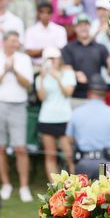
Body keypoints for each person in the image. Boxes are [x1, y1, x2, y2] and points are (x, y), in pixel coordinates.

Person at [0, 30, 33, 202]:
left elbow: (27, 84)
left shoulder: (24, 59)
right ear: (4, 41)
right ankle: (6, 184)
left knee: (21, 148)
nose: (15, 44)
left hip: (18, 105)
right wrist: (4, 72)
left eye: (17, 41)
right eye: (12, 40)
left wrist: (14, 70)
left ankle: (24, 186)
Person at [67, 74, 110, 179]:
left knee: (82, 194)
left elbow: (69, 139)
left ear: (89, 92)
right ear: (105, 94)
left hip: (83, 163)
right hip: (108, 163)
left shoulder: (76, 113)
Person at [35, 47, 76, 181]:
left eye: (54, 58)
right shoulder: (41, 77)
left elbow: (68, 93)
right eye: (49, 58)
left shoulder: (68, 73)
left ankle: (76, 184)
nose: (52, 61)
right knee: (50, 155)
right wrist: (41, 78)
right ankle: (54, 187)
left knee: (69, 155)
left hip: (64, 118)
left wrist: (57, 78)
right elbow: (41, 97)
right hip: (47, 118)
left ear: (59, 59)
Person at [61, 13, 110, 108]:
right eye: (80, 25)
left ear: (90, 26)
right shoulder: (68, 48)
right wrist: (75, 74)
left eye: (86, 24)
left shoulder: (100, 48)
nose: (83, 28)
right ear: (75, 28)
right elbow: (65, 68)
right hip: (76, 95)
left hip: (96, 95)